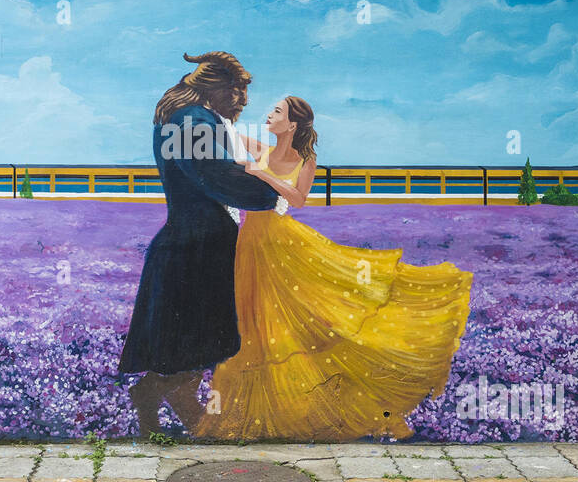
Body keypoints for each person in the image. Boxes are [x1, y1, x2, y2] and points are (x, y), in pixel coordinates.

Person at [195, 96, 473, 441]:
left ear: (293, 124)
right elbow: (228, 134)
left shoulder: (305, 160)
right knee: (254, 325)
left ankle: (317, 405)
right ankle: (261, 414)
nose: (268, 115)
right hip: (250, 244)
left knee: (302, 320)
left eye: (277, 111)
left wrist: (262, 174)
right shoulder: (260, 147)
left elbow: (296, 199)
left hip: (282, 244)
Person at [119, 51, 279, 436]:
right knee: (198, 345)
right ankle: (160, 406)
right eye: (236, 90)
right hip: (196, 249)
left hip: (193, 244)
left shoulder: (188, 119)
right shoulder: (193, 121)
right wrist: (273, 190)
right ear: (213, 87)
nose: (243, 100)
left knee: (194, 348)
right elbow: (215, 175)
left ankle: (177, 418)